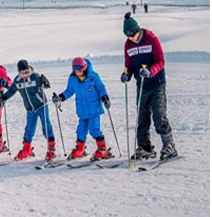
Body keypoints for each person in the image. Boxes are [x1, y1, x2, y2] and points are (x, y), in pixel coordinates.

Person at [121, 12, 177, 160]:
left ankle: (169, 145)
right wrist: (127, 74)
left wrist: (150, 71)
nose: (131, 38)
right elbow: (129, 65)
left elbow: (160, 61)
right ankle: (145, 147)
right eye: (128, 36)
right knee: (142, 118)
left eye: (133, 34)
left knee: (159, 116)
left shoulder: (151, 39)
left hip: (157, 83)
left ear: (138, 30)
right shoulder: (128, 45)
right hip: (142, 85)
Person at [52, 57, 113, 161]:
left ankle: (103, 149)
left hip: (94, 110)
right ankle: (80, 150)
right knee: (81, 131)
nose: (78, 73)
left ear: (84, 68)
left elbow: (101, 88)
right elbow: (69, 91)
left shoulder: (93, 77)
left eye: (80, 71)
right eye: (76, 71)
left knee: (94, 130)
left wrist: (105, 98)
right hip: (82, 111)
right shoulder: (72, 79)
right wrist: (60, 97)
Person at [1, 60, 56, 161]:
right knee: (29, 130)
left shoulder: (35, 77)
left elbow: (47, 85)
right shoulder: (17, 80)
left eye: (26, 72)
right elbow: (12, 90)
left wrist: (45, 81)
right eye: (22, 73)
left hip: (41, 106)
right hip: (30, 109)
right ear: (18, 72)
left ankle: (51, 150)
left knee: (46, 127)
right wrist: (5, 97)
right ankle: (27, 150)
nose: (25, 75)